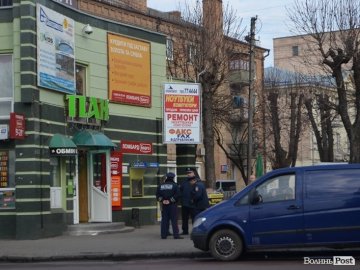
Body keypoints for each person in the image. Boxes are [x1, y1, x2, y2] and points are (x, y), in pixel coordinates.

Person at [156, 172, 183, 239]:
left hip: (164, 205)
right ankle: (176, 235)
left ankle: (163, 235)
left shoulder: (161, 185)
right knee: (174, 220)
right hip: (172, 205)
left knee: (164, 220)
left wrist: (163, 200)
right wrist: (170, 200)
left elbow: (157, 195)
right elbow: (178, 195)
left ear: (167, 178)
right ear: (173, 178)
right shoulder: (175, 185)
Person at [179, 167, 198, 235]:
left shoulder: (197, 181)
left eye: (190, 173)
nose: (188, 174)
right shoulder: (184, 182)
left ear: (194, 173)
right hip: (185, 203)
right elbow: (180, 191)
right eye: (187, 173)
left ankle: (195, 230)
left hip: (194, 204)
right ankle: (185, 231)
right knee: (184, 218)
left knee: (194, 218)